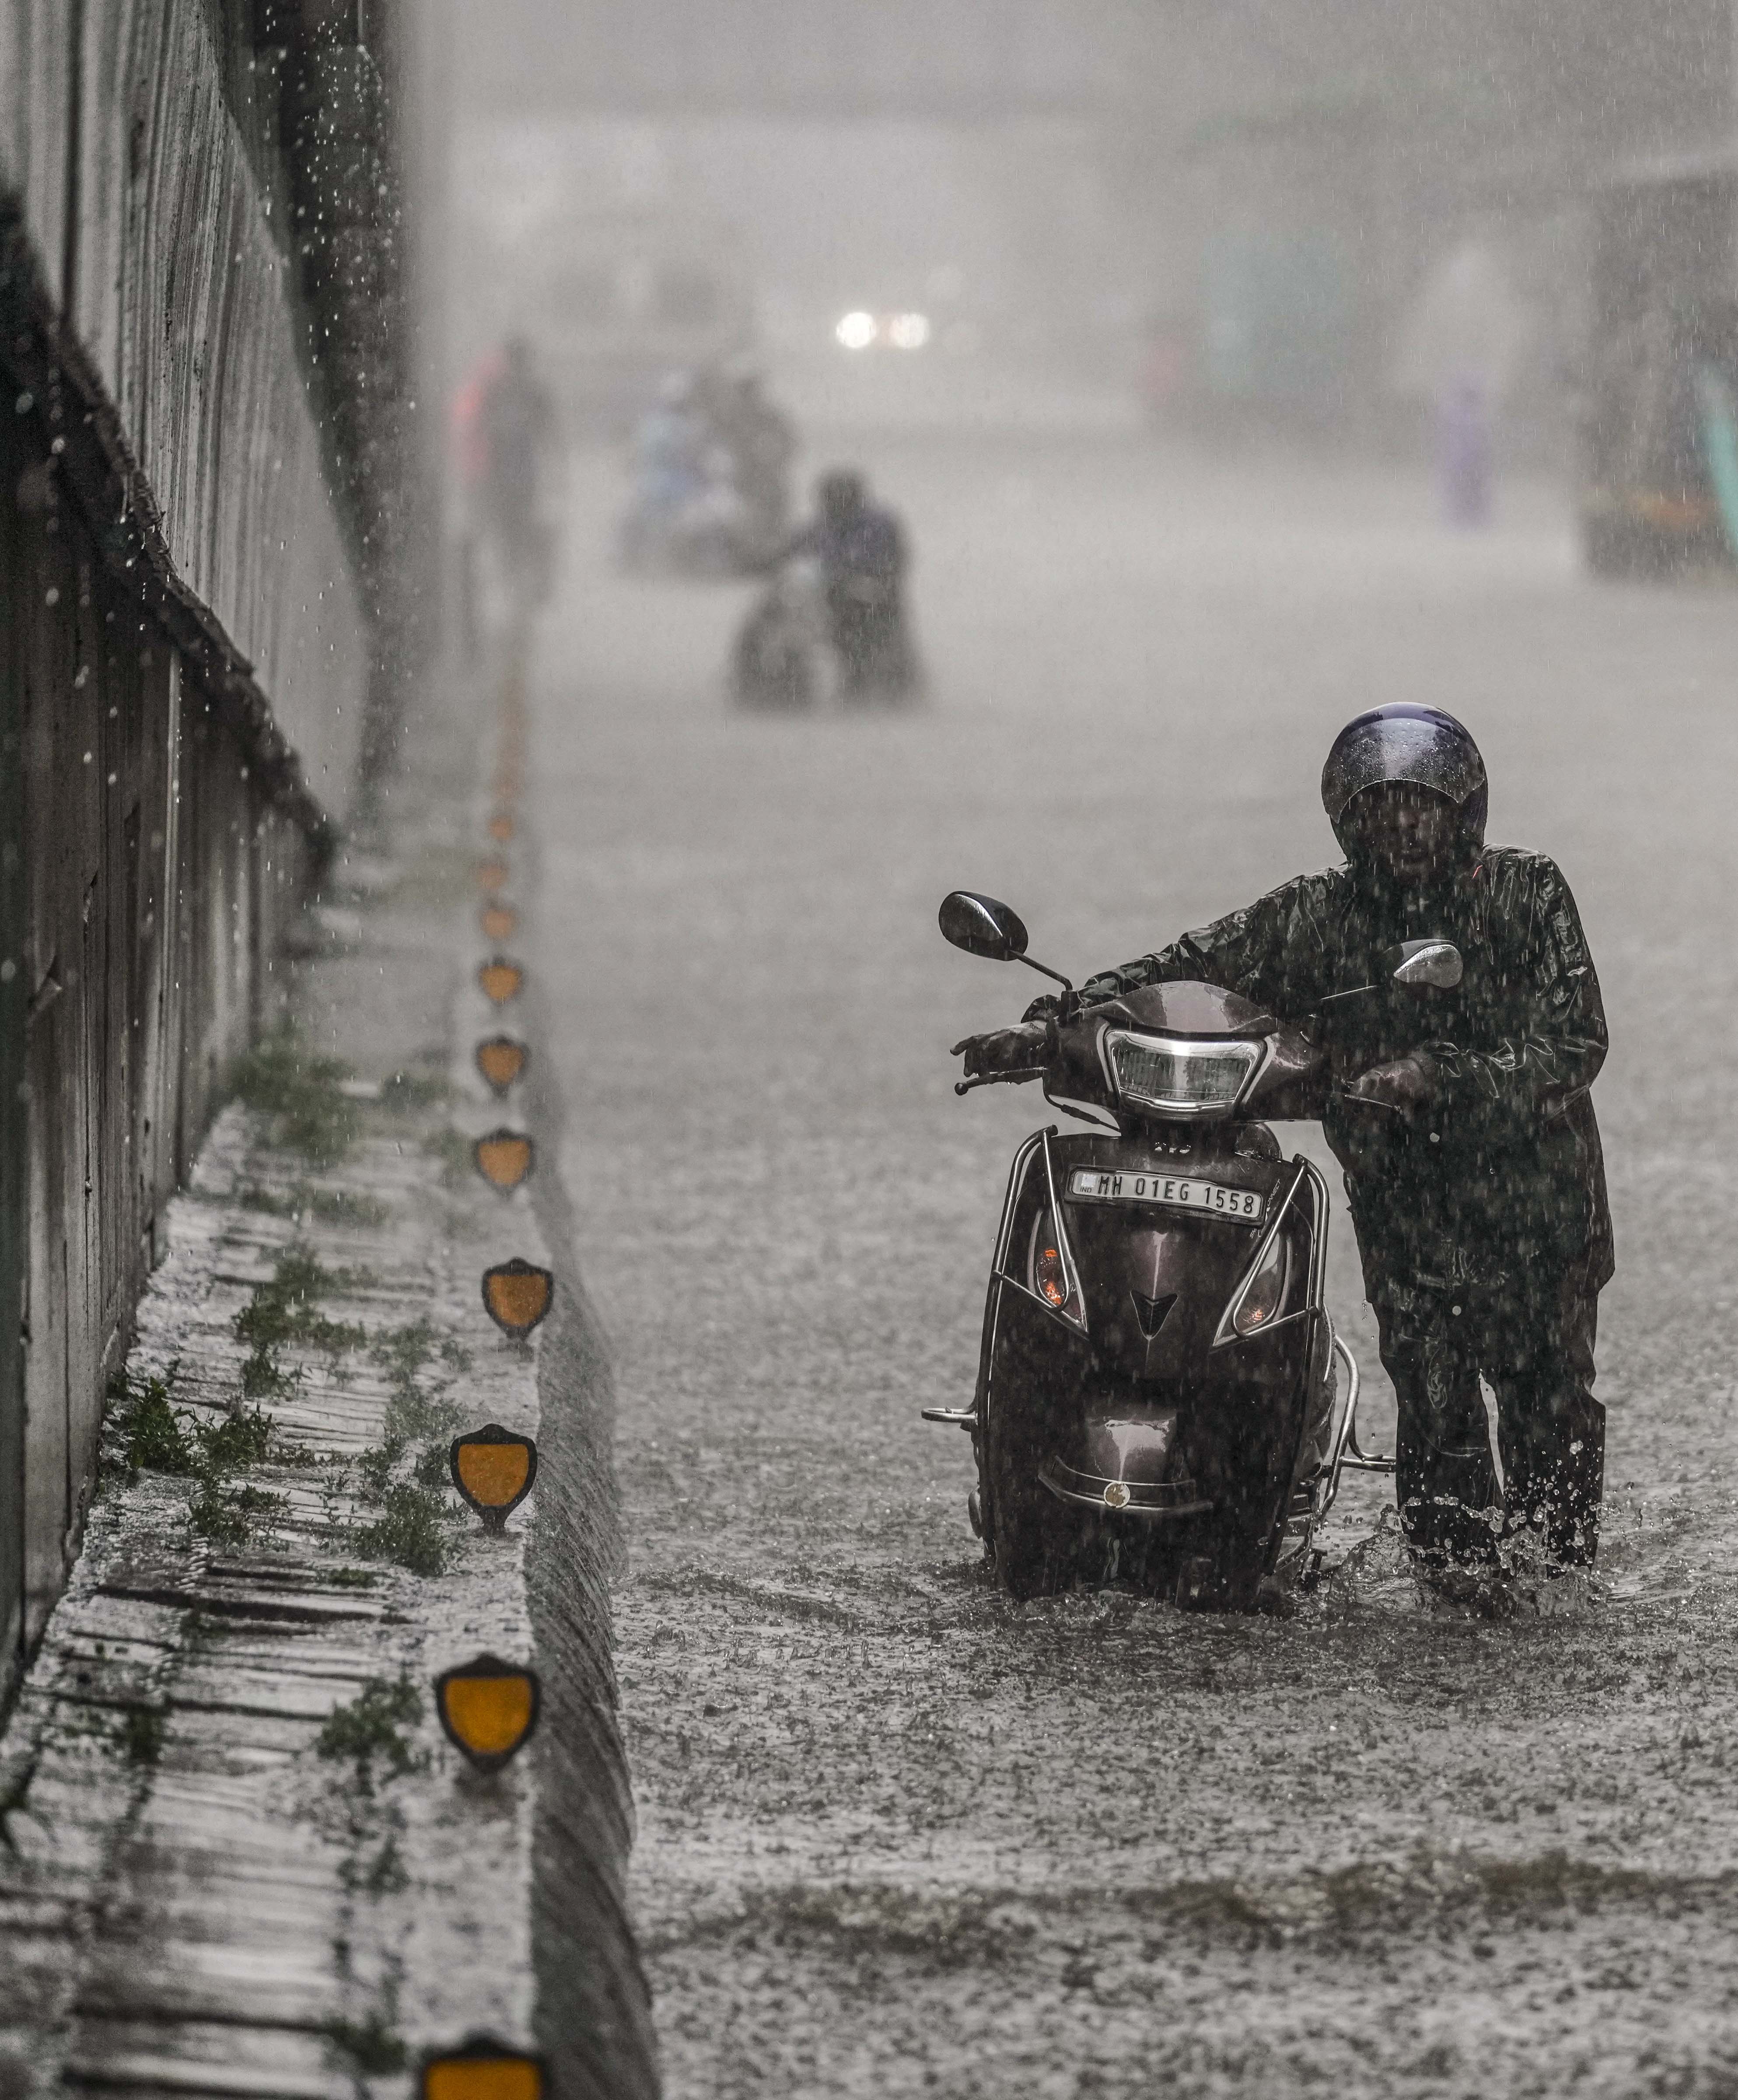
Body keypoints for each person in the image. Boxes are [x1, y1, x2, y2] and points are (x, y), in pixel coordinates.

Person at [954, 706, 1612, 1574]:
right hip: (1407, 1213)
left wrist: (1431, 1076)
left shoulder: (1530, 894)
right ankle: (1458, 1600)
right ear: (1349, 822)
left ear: (1465, 813)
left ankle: (1558, 1588)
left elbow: (1573, 1041)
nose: (1404, 825)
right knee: (1436, 1412)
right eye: (1380, 808)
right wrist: (1054, 1023)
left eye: (1422, 804)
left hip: (1535, 1210)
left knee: (1547, 1409)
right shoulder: (1318, 916)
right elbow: (1192, 965)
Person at [788, 469, 914, 695]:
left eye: (841, 499)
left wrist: (856, 579)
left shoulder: (878, 526)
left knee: (864, 633)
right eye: (832, 500)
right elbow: (789, 552)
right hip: (830, 598)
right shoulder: (820, 528)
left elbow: (891, 563)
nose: (835, 506)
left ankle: (873, 681)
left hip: (872, 601)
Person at [479, 335, 558, 595]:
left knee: (508, 523)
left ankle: (514, 572)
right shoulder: (532, 389)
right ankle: (520, 573)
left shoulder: (498, 388)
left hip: (505, 470)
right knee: (518, 521)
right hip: (518, 469)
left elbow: (484, 427)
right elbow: (548, 432)